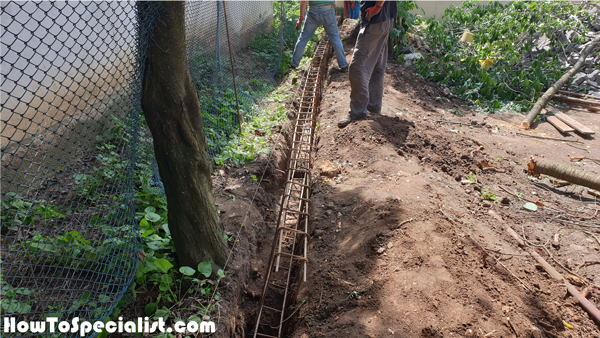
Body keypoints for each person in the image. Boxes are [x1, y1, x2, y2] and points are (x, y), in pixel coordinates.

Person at [338, 0, 397, 128]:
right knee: (377, 65)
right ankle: (374, 106)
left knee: (357, 67)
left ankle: (358, 112)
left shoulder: (377, 10)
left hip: (375, 19)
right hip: (385, 19)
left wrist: (377, 6)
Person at [291, 0, 349, 71]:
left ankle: (294, 64)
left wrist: (301, 17)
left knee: (303, 39)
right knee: (335, 39)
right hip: (328, 11)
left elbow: (304, 1)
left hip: (313, 12)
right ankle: (343, 65)